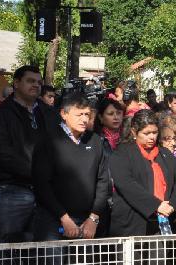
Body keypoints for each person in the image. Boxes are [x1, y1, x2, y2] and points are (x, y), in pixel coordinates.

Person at [0, 65, 60, 242]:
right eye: (30, 81)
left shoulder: (49, 113)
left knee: (46, 249)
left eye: (39, 82)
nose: (36, 85)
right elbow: (4, 156)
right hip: (13, 191)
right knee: (10, 251)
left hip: (47, 193)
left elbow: (59, 146)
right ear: (17, 83)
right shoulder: (0, 115)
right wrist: (40, 173)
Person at [32, 93, 110, 241]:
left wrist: (93, 218)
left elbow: (103, 181)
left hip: (88, 220)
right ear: (64, 114)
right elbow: (41, 184)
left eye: (87, 114)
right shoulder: (48, 141)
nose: (84, 119)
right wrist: (64, 219)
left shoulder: (95, 141)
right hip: (52, 221)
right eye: (79, 114)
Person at [109, 109, 176, 237]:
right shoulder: (122, 153)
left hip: (164, 221)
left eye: (155, 132)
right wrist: (156, 205)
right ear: (134, 131)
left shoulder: (165, 154)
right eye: (146, 133)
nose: (152, 137)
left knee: (160, 257)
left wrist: (172, 205)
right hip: (132, 223)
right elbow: (126, 184)